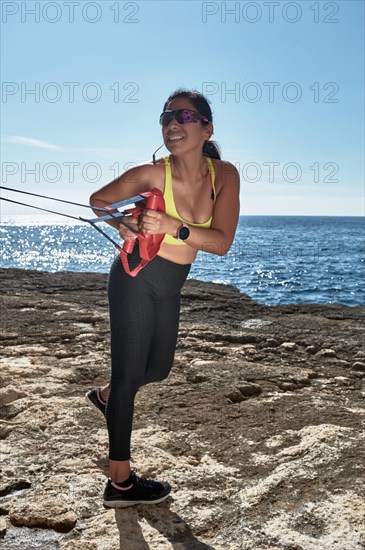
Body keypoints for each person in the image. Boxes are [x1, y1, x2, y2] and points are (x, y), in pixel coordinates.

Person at [85, 89, 240, 508]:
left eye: (184, 116)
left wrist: (174, 224)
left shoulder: (225, 175)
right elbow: (98, 201)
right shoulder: (152, 174)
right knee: (128, 378)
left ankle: (104, 397)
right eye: (166, 117)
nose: (172, 124)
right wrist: (123, 224)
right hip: (136, 276)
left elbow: (222, 243)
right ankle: (120, 483)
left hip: (172, 284)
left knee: (158, 370)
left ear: (207, 127)